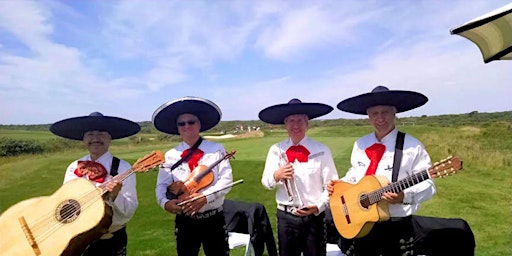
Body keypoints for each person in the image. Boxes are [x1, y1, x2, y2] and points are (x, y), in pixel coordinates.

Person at [327, 85, 437, 256]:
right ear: (368, 117)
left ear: (394, 113)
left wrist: (403, 196)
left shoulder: (412, 145)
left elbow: (429, 186)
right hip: (363, 223)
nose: (380, 118)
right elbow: (355, 175)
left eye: (385, 112)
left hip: (397, 225)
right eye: (374, 113)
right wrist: (340, 184)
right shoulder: (360, 144)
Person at [50, 112, 141, 256]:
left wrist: (115, 196)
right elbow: (64, 203)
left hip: (109, 241)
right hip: (76, 239)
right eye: (90, 134)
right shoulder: (74, 167)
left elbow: (129, 209)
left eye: (101, 133)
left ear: (110, 138)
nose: (95, 139)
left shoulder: (123, 168)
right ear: (84, 139)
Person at [153, 96, 233, 256]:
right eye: (181, 123)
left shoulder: (217, 149)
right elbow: (161, 186)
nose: (186, 126)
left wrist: (205, 197)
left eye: (191, 122)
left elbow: (226, 181)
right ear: (177, 128)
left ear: (199, 125)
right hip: (185, 221)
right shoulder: (170, 155)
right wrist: (164, 203)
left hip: (213, 218)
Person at [259, 98, 339, 256]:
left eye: (300, 120)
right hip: (286, 217)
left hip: (313, 217)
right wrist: (276, 175)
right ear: (285, 124)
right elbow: (265, 182)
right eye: (291, 121)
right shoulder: (276, 150)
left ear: (307, 124)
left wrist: (318, 206)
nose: (296, 125)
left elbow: (332, 186)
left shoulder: (322, 150)